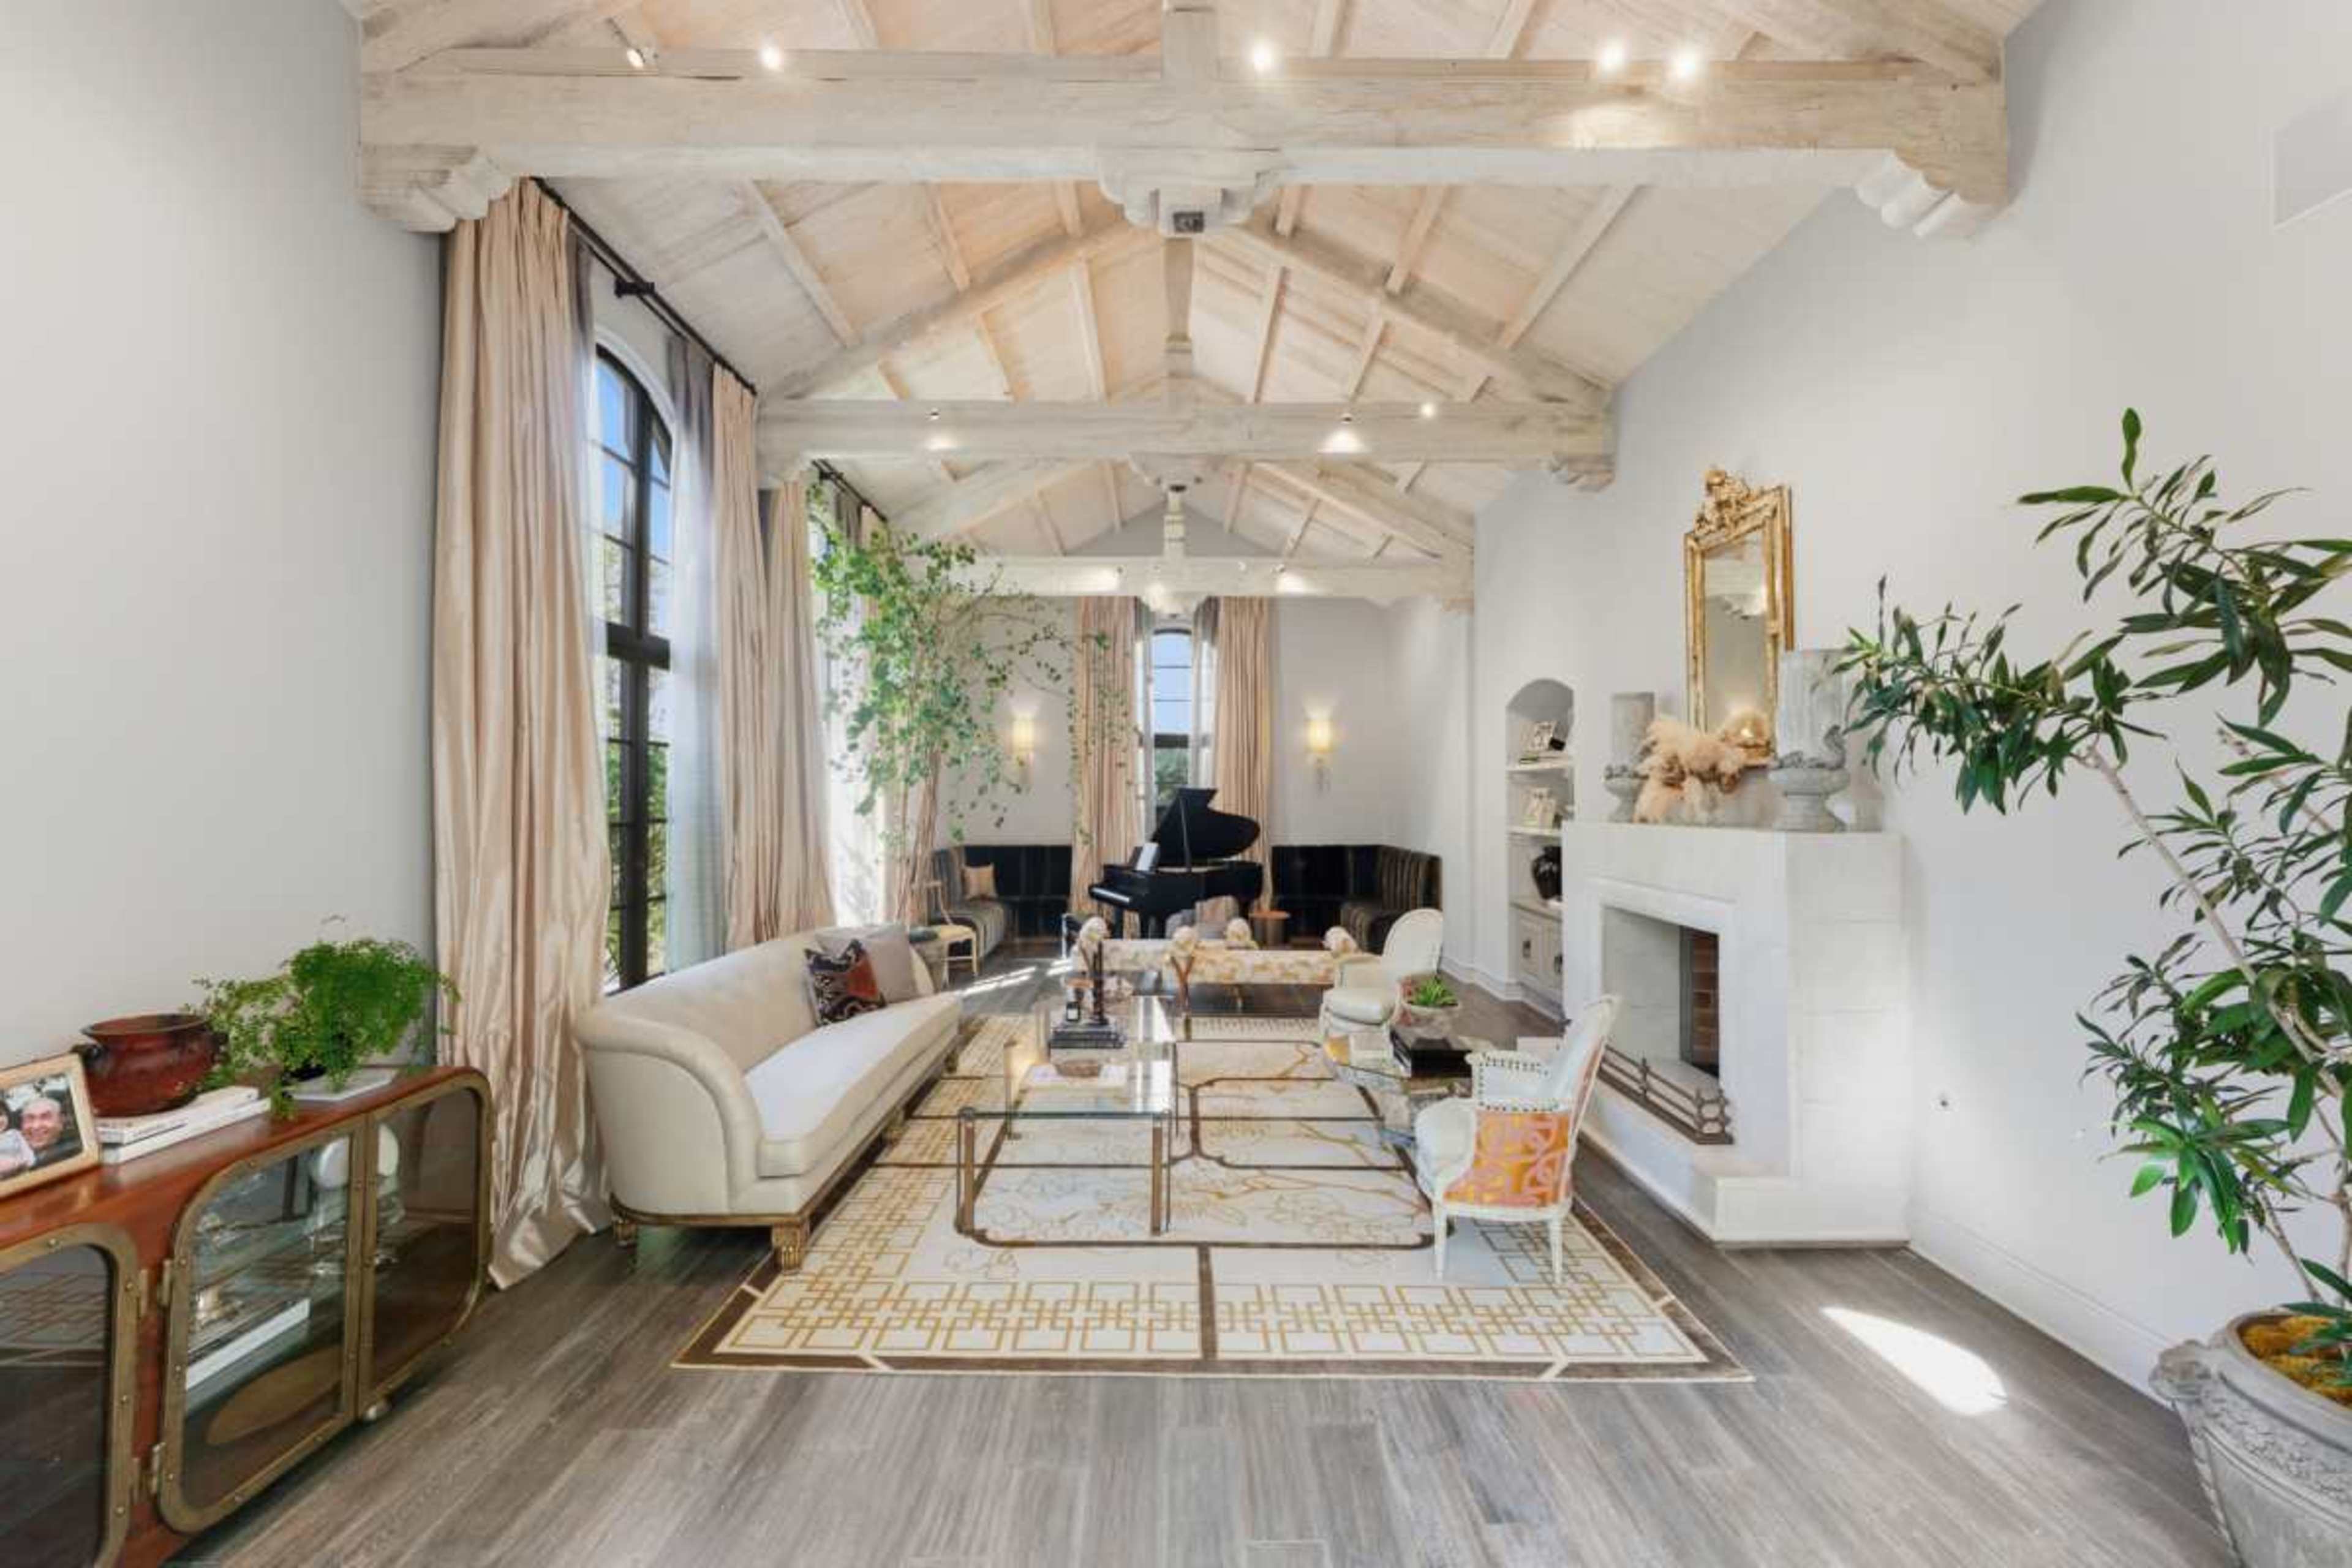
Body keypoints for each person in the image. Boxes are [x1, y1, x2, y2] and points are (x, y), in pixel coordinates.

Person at [17, 1090, 77, 1167]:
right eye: (30, 1119)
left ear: (61, 1121)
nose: (36, 1126)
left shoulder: (73, 1152)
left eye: (45, 1117)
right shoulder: (17, 1157)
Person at [0, 1103, 31, 1178]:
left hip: (22, 1172)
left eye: (0, 1115)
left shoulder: (15, 1134)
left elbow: (26, 1150)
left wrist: (27, 1162)